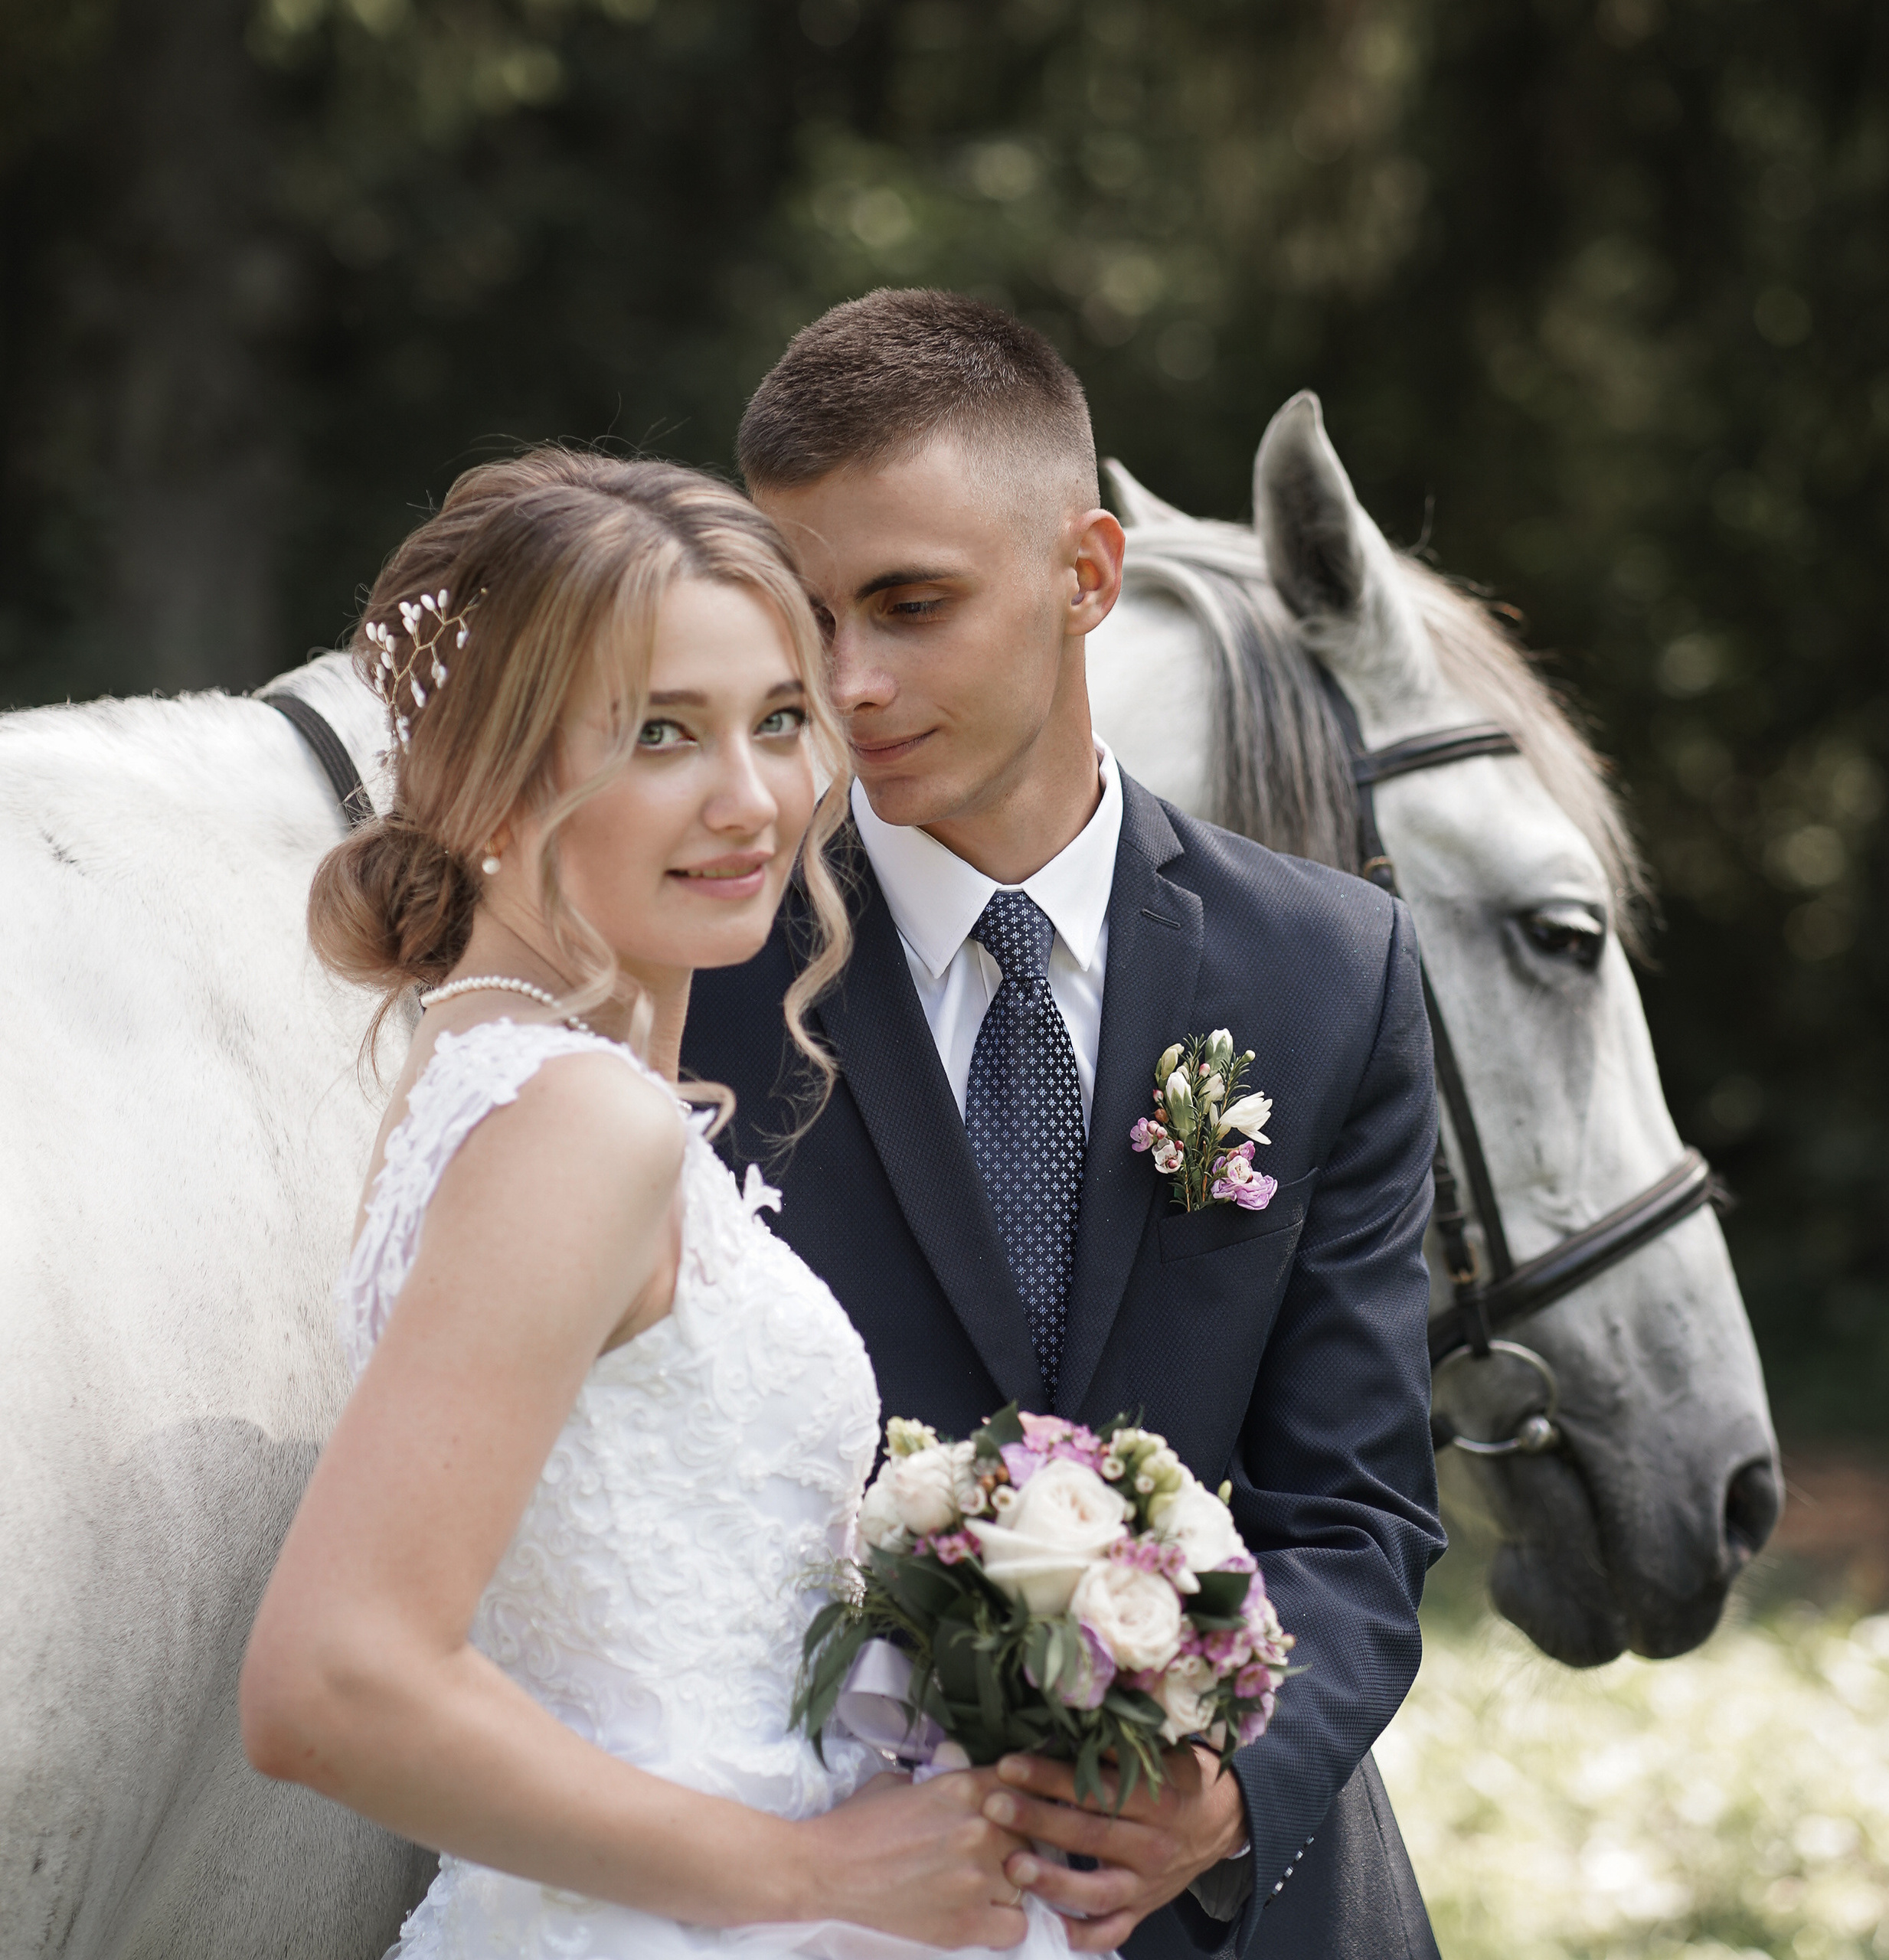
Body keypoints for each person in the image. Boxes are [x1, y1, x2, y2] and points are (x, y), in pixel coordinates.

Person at [683, 291, 1447, 1960]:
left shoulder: (1330, 969)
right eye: (805, 618)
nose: (849, 683)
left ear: (1084, 574)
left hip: (1251, 1907)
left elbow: (1359, 1512)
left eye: (908, 604)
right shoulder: (699, 977)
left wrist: (1232, 1790)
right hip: (829, 1896)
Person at [239, 450, 1051, 1958]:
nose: (750, 800)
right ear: (501, 768)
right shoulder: (576, 1121)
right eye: (662, 731)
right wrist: (806, 1875)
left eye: (779, 721)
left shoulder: (489, 1075)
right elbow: (329, 1677)